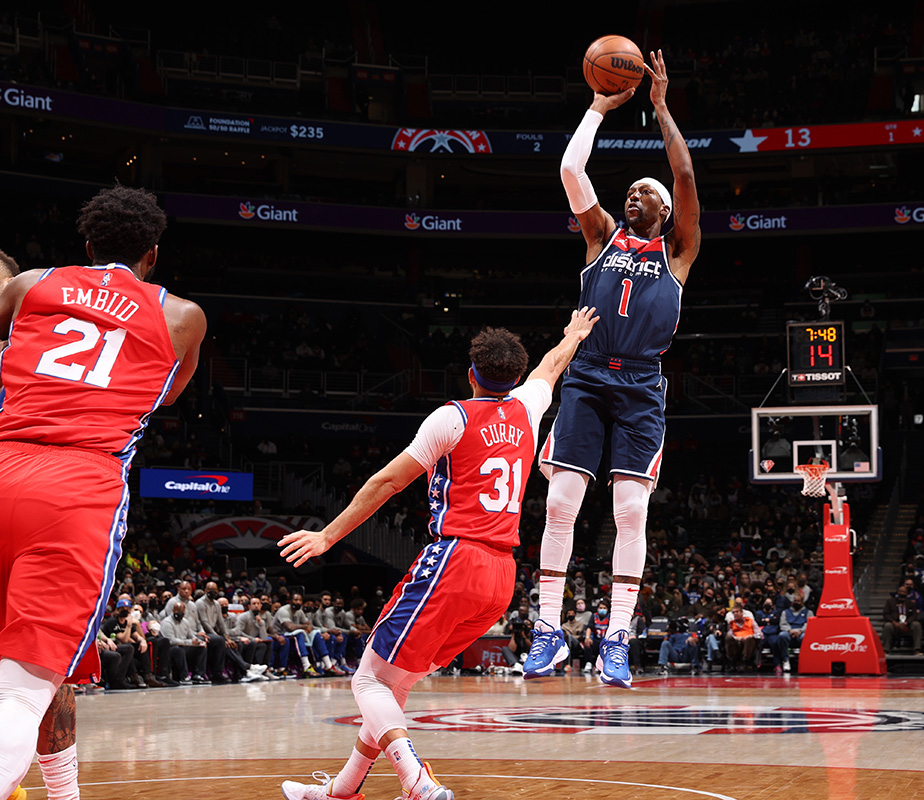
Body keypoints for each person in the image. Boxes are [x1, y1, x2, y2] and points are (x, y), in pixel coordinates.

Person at [278, 310, 597, 800]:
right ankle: (342, 790)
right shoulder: (528, 409)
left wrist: (327, 536)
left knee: (368, 681)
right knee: (394, 684)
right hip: (503, 576)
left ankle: (417, 781)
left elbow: (386, 481)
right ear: (515, 376)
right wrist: (573, 336)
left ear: (471, 374)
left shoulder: (452, 416)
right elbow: (550, 369)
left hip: (456, 559)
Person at [0, 187, 206, 797]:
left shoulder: (29, 285)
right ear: (153, 254)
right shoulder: (182, 316)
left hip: (5, 454)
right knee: (23, 685)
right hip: (78, 486)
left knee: (44, 677)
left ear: (86, 244)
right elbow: (165, 393)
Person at [527, 50, 701, 690]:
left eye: (644, 193)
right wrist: (599, 109)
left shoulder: (679, 250)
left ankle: (617, 639)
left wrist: (659, 108)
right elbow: (572, 168)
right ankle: (548, 630)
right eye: (629, 191)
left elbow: (682, 175)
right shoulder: (600, 238)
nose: (634, 196)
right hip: (588, 371)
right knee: (563, 502)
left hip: (641, 386)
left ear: (664, 211)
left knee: (631, 513)